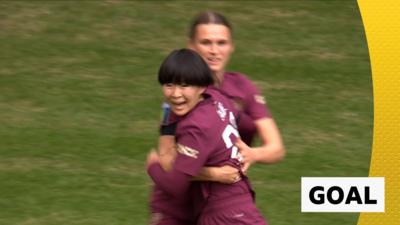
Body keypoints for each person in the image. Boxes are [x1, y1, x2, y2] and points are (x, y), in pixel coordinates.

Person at [147, 48, 267, 225]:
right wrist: (233, 156)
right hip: (239, 202)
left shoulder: (196, 127)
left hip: (221, 214)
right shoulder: (217, 97)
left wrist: (152, 166)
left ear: (201, 86)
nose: (175, 94)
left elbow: (175, 184)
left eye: (184, 85)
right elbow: (248, 126)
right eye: (169, 85)